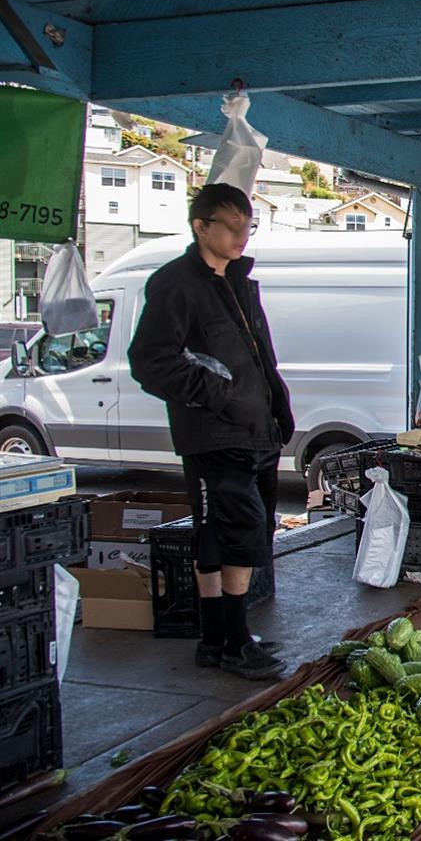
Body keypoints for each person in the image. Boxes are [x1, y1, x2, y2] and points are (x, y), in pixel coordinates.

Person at [128, 184, 293, 681]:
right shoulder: (176, 283)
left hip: (255, 429)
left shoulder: (236, 281)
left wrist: (277, 410)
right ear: (201, 226)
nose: (242, 235)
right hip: (215, 433)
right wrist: (217, 395)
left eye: (249, 225)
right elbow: (150, 362)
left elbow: (259, 357)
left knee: (229, 535)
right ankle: (236, 642)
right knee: (236, 534)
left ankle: (215, 638)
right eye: (233, 225)